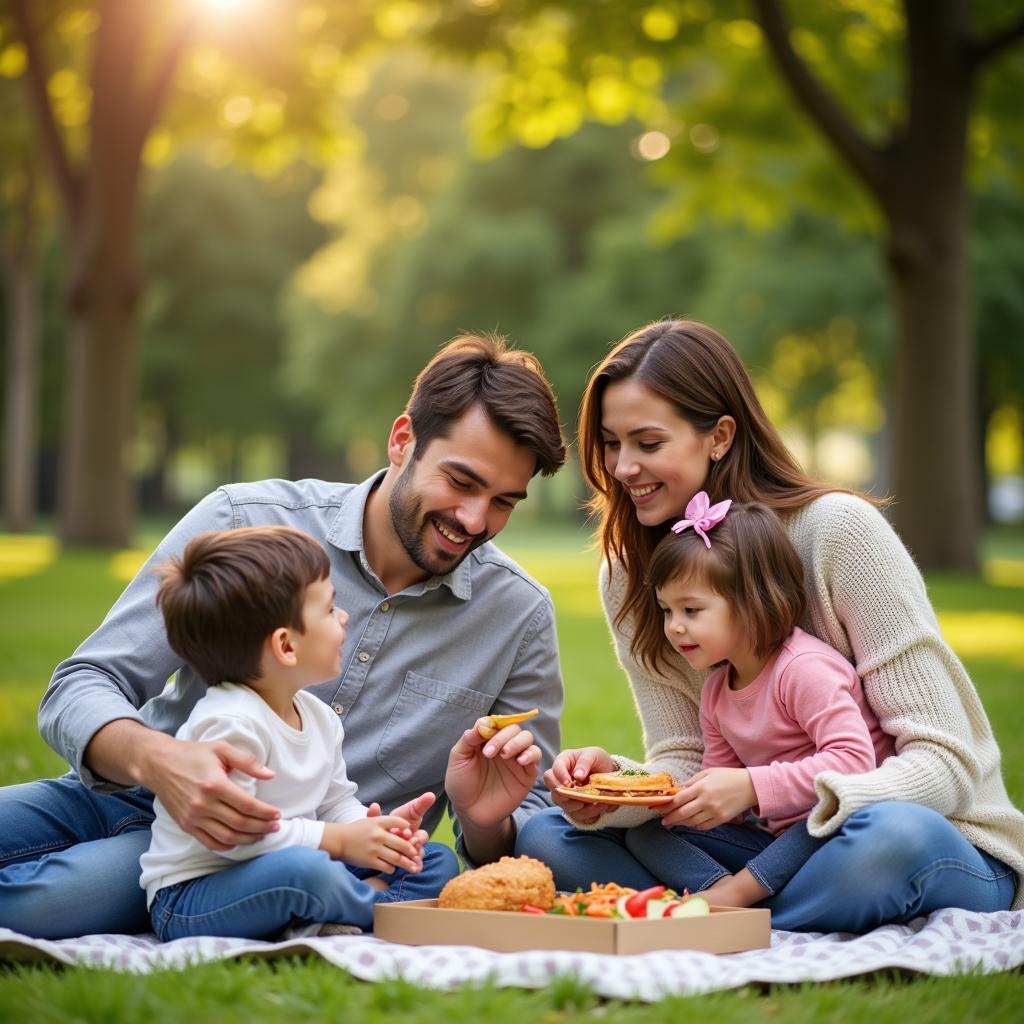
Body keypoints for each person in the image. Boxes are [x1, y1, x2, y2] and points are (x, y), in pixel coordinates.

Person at [0, 333, 567, 939]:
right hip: (124, 791)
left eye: (504, 501)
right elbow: (83, 683)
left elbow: (523, 825)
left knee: (43, 902)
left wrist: (483, 823)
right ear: (403, 440)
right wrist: (162, 761)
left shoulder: (518, 616)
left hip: (261, 861)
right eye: (461, 481)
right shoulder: (246, 520)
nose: (475, 521)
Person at [517, 318, 1022, 932]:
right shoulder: (630, 573)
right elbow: (690, 762)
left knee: (891, 840)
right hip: (760, 843)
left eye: (647, 443)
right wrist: (616, 789)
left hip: (919, 831)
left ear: (720, 437)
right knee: (549, 834)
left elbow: (947, 766)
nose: (622, 467)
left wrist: (769, 793)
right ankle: (739, 911)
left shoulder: (839, 535)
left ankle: (719, 916)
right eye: (610, 443)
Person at [142, 525, 443, 940]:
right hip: (196, 895)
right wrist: (338, 841)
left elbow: (336, 801)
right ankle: (368, 908)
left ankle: (330, 912)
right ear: (286, 645)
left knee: (431, 859)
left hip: (291, 865)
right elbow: (232, 839)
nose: (344, 617)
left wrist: (374, 830)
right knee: (306, 873)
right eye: (329, 608)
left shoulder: (318, 716)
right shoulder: (230, 723)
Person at [634, 493, 895, 907]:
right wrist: (678, 801)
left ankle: (738, 895)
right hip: (771, 848)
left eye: (691, 610)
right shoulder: (716, 692)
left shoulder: (803, 668)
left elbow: (853, 762)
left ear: (751, 600)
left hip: (839, 827)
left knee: (819, 822)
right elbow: (726, 803)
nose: (674, 628)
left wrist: (753, 786)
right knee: (646, 832)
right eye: (667, 611)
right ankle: (724, 895)